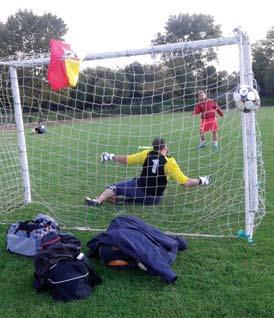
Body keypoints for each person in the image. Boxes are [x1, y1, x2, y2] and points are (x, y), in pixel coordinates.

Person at [85, 137, 210, 207]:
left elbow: (127, 160)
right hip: (155, 198)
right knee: (135, 184)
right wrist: (201, 180)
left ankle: (98, 201)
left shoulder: (146, 154)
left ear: (153, 147)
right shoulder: (170, 162)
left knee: (114, 187)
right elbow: (185, 183)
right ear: (165, 147)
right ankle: (122, 199)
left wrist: (111, 156)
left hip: (141, 189)